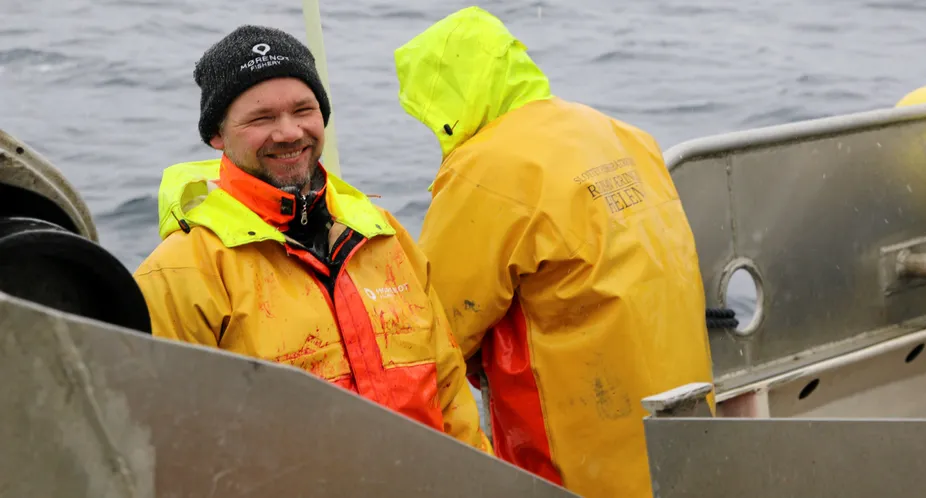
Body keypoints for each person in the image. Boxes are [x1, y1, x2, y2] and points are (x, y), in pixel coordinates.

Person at [393, 7, 715, 498]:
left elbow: (437, 323)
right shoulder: (618, 133)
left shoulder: (485, 167)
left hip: (578, 454)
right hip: (679, 430)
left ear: (446, 97)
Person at [132, 24, 491, 455]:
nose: (288, 132)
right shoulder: (179, 273)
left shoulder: (384, 237)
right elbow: (165, 445)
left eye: (303, 110)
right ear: (217, 135)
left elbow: (451, 398)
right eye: (261, 118)